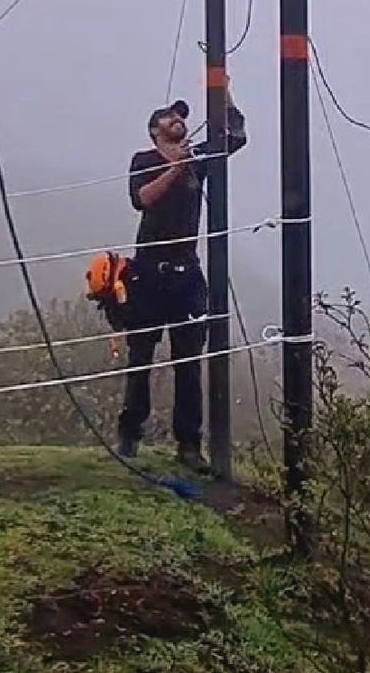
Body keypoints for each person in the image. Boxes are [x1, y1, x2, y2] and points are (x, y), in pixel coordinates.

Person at [117, 96, 248, 471]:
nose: (178, 119)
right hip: (147, 273)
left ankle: (189, 445)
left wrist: (225, 96)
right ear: (155, 130)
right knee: (140, 357)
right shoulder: (143, 161)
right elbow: (141, 199)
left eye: (180, 116)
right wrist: (175, 168)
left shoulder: (198, 161)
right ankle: (130, 432)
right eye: (169, 117)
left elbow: (234, 137)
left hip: (186, 274)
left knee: (188, 363)